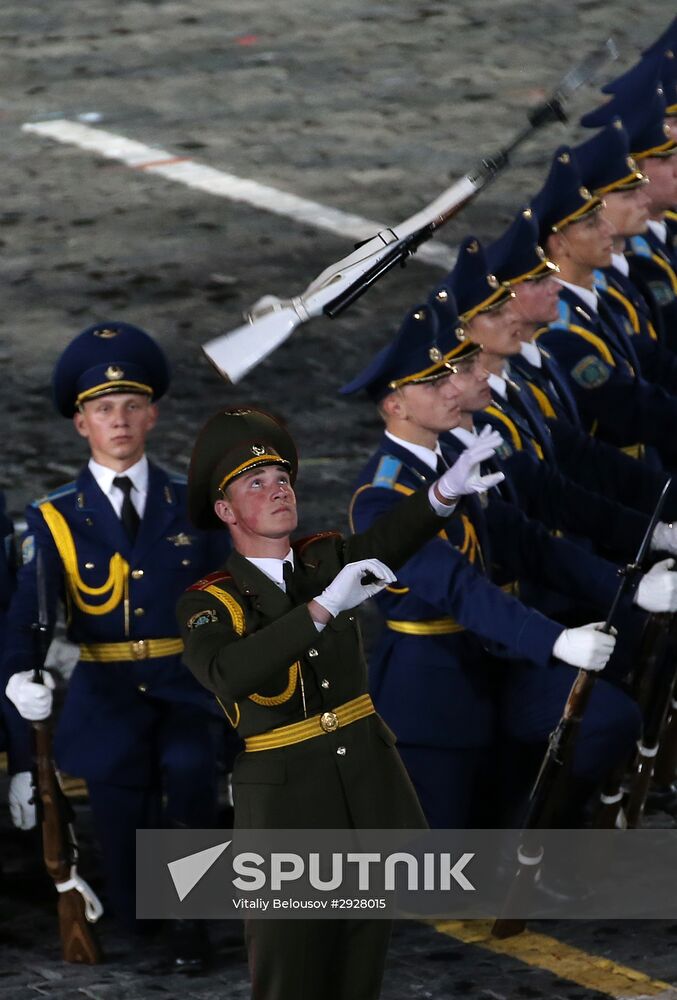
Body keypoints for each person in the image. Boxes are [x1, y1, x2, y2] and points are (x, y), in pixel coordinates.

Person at [177, 401, 506, 1000]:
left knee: (360, 967)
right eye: (257, 484)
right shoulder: (211, 602)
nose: (278, 491)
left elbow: (389, 538)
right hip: (287, 811)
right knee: (291, 971)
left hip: (365, 789)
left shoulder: (324, 557)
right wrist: (323, 608)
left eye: (282, 480)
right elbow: (228, 672)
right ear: (226, 510)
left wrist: (443, 493)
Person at [341, 301, 636, 830]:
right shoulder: (381, 498)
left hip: (495, 660)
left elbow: (527, 543)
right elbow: (456, 587)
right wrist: (553, 640)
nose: (454, 388)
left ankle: (537, 851)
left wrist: (629, 584)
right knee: (444, 866)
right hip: (435, 685)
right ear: (395, 407)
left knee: (606, 720)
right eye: (433, 385)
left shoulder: (451, 464)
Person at [2, 321, 228, 969]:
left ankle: (191, 923)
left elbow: (230, 602)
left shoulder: (192, 504)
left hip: (183, 685)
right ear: (82, 425)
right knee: (120, 812)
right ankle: (143, 923)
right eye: (103, 410)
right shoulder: (56, 517)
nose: (119, 421)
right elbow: (28, 616)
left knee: (189, 784)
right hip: (105, 694)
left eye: (131, 407)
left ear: (152, 415)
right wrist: (17, 676)